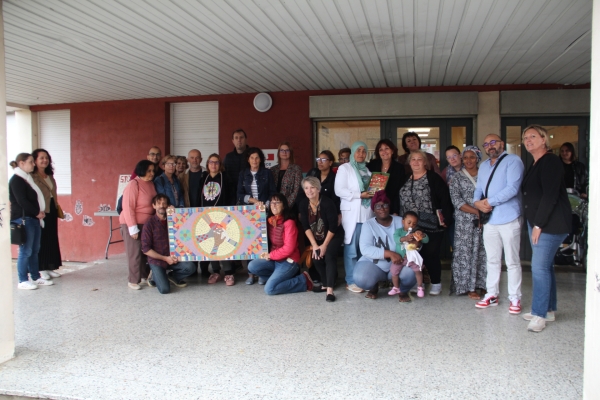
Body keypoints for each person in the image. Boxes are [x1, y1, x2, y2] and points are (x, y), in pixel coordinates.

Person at [521, 125, 571, 332]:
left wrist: (539, 224)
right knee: (546, 267)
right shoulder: (536, 163)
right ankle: (548, 310)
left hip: (550, 224)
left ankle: (539, 315)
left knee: (539, 268)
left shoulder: (550, 161)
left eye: (533, 136)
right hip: (539, 223)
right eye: (525, 137)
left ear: (544, 139)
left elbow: (550, 196)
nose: (528, 140)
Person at [474, 134, 525, 314]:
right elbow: (478, 189)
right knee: (492, 260)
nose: (490, 146)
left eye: (493, 142)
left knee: (512, 261)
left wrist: (489, 202)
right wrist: (477, 203)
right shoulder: (483, 166)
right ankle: (492, 294)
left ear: (501, 144)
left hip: (509, 217)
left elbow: (512, 188)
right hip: (490, 220)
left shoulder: (513, 161)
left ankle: (515, 298)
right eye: (486, 144)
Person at [399, 150, 453, 295]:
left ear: (425, 162)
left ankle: (436, 282)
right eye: (413, 159)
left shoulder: (433, 178)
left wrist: (446, 218)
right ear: (409, 163)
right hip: (411, 225)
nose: (416, 162)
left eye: (419, 159)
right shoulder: (406, 179)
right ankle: (418, 283)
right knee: (414, 253)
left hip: (430, 222)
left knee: (430, 254)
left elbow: (444, 199)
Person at [353, 192, 416, 302]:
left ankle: (403, 290)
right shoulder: (368, 224)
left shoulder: (400, 221)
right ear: (373, 209)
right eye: (378, 206)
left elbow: (413, 241)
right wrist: (390, 254)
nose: (382, 208)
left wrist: (413, 246)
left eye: (385, 205)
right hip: (374, 265)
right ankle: (374, 285)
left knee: (412, 272)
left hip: (398, 264)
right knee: (360, 278)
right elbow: (365, 249)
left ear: (389, 206)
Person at [247, 194, 313, 295]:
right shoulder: (270, 220)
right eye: (272, 202)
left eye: (277, 202)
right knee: (252, 266)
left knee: (269, 289)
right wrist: (258, 208)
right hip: (275, 260)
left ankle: (303, 281)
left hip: (289, 261)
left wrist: (270, 255)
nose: (274, 205)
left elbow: (288, 249)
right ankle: (279, 280)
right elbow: (253, 225)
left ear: (284, 205)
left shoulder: (289, 223)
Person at [334, 141, 374, 293]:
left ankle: (363, 279)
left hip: (366, 214)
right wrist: (359, 195)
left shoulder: (368, 172)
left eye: (364, 151)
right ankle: (351, 280)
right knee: (351, 249)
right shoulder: (345, 168)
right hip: (352, 214)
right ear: (352, 153)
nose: (361, 154)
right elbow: (339, 190)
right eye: (358, 151)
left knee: (363, 250)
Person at [9, 153, 54, 290]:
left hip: (33, 218)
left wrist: (38, 213)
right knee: (26, 250)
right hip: (24, 218)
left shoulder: (28, 179)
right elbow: (22, 201)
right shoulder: (16, 180)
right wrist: (36, 212)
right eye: (30, 162)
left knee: (35, 249)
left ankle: (36, 277)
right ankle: (22, 280)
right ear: (21, 163)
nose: (33, 164)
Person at [449, 146, 487, 299]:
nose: (469, 160)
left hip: (485, 220)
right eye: (466, 157)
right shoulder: (457, 178)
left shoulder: (486, 175)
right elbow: (457, 201)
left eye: (472, 157)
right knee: (465, 254)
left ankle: (484, 285)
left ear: (478, 158)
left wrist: (483, 213)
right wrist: (477, 212)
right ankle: (468, 287)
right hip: (464, 222)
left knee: (484, 253)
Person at [299, 177, 344, 302]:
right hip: (317, 237)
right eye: (306, 188)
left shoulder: (327, 203)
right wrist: (314, 245)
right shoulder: (303, 204)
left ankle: (330, 290)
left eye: (312, 187)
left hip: (333, 234)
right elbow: (305, 226)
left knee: (328, 255)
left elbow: (334, 227)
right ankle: (325, 284)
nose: (309, 190)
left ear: (318, 189)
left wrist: (324, 245)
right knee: (316, 257)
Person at [141, 195, 196, 294]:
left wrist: (176, 214)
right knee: (164, 289)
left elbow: (187, 229)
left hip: (174, 258)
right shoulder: (149, 224)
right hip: (157, 261)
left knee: (191, 267)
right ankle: (155, 276)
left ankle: (172, 277)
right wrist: (165, 258)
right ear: (154, 206)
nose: (162, 206)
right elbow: (146, 249)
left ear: (168, 205)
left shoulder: (173, 220)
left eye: (164, 203)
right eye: (159, 203)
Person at [237, 147, 276, 285]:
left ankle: (262, 274)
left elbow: (272, 192)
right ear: (248, 159)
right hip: (249, 214)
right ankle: (250, 274)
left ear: (261, 159)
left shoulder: (267, 173)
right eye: (252, 158)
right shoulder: (243, 174)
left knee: (264, 243)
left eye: (257, 158)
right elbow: (240, 195)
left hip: (264, 212)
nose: (255, 160)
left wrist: (264, 205)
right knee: (250, 243)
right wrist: (254, 201)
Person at [198, 153, 236, 286]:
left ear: (220, 165)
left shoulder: (225, 177)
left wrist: (229, 213)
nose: (213, 165)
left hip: (221, 216)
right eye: (211, 162)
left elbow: (231, 196)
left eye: (216, 162)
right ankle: (215, 271)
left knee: (222, 242)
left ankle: (228, 273)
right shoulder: (204, 178)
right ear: (207, 164)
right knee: (210, 244)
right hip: (207, 216)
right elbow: (199, 196)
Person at [119, 160, 157, 290]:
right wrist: (132, 227)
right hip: (133, 223)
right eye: (149, 171)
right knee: (134, 252)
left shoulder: (151, 184)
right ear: (142, 171)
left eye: (153, 170)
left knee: (144, 251)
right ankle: (133, 280)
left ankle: (143, 276)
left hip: (147, 224)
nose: (152, 173)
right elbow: (128, 207)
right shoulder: (133, 184)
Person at [31, 148, 63, 280]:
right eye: (41, 158)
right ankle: (41, 268)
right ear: (35, 160)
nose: (45, 160)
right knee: (41, 239)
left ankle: (50, 267)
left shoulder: (49, 175)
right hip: (40, 210)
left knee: (51, 237)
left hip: (51, 208)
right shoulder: (32, 176)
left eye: (46, 158)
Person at [390, 211, 428, 298]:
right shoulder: (399, 231)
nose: (411, 225)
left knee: (418, 270)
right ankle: (396, 287)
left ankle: (419, 287)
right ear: (403, 222)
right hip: (400, 258)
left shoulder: (415, 232)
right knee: (394, 271)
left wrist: (422, 235)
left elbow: (426, 240)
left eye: (414, 224)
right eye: (409, 222)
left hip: (411, 258)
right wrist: (405, 238)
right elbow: (396, 239)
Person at [366, 139, 406, 215]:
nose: (384, 152)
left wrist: (395, 211)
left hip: (391, 206)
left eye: (387, 148)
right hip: (372, 207)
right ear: (378, 153)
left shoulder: (399, 168)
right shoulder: (372, 165)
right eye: (381, 150)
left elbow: (399, 191)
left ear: (392, 151)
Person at [296, 150, 340, 215]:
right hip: (309, 212)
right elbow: (301, 193)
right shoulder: (313, 173)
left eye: (323, 160)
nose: (320, 162)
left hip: (326, 214)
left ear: (330, 162)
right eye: (318, 159)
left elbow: (335, 200)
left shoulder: (334, 178)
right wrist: (301, 211)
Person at [270, 142, 303, 209]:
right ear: (278, 153)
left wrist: (285, 205)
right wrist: (275, 204)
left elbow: (296, 191)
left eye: (287, 150)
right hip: (274, 206)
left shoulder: (296, 169)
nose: (284, 152)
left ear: (291, 153)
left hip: (289, 207)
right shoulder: (273, 169)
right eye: (282, 150)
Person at [224, 129, 249, 203]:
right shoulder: (228, 158)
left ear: (245, 139)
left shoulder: (253, 155)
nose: (239, 140)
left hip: (249, 196)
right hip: (232, 197)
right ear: (233, 141)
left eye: (241, 137)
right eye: (236, 138)